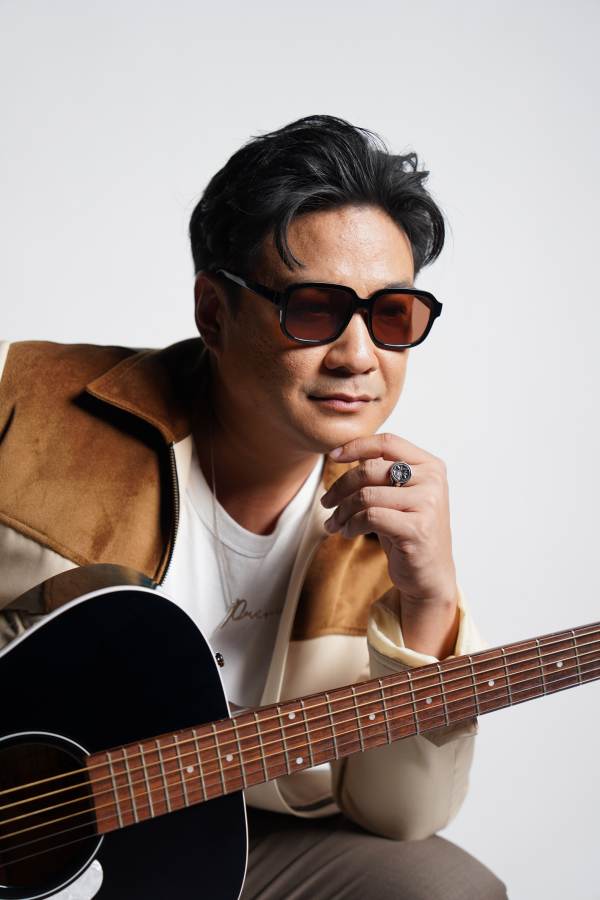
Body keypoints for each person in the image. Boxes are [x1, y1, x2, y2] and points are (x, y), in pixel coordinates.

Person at [0, 114, 507, 898]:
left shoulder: (389, 524)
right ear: (214, 312)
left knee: (442, 888)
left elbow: (401, 815)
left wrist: (430, 602)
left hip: (229, 839)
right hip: (33, 831)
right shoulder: (28, 407)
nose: (358, 356)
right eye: (314, 309)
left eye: (392, 315)